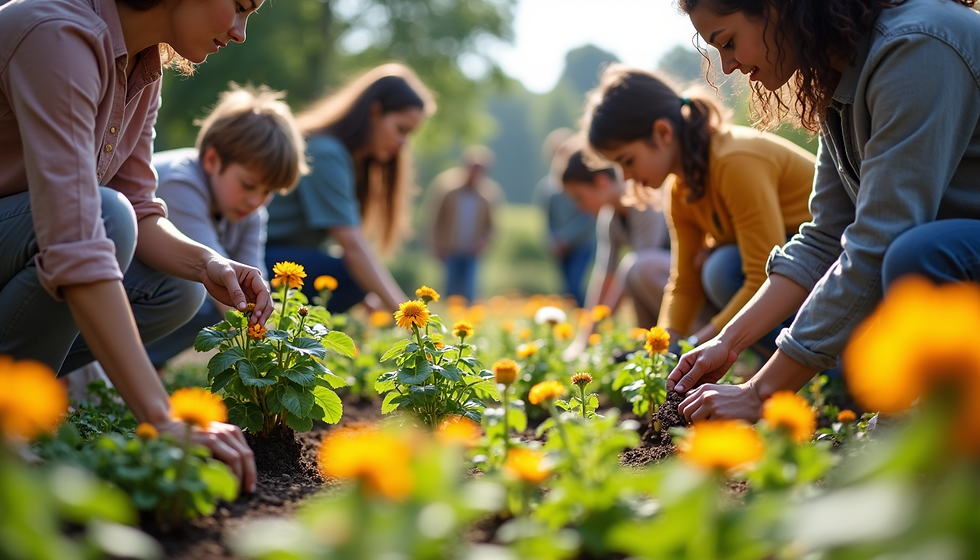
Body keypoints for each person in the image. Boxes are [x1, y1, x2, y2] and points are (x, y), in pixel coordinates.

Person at [668, 0, 980, 422]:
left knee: (919, 253)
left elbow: (878, 240)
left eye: (728, 43)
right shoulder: (840, 72)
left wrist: (759, 393)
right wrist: (728, 341)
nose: (727, 67)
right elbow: (823, 238)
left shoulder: (915, 47)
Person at [0, 0, 268, 490]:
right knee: (105, 217)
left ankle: (17, 405)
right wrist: (164, 417)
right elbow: (79, 234)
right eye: (239, 6)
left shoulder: (141, 66)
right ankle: (12, 425)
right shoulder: (57, 34)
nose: (240, 32)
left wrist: (206, 261)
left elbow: (140, 206)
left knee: (178, 286)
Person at [582, 64, 815, 355]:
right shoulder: (680, 191)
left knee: (722, 269)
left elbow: (761, 277)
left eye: (627, 161)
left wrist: (701, 343)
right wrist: (663, 349)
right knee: (711, 266)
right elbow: (684, 284)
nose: (626, 177)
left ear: (663, 133)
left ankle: (829, 369)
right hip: (796, 271)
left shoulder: (734, 161)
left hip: (833, 259)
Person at [144, 84, 308, 370]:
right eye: (248, 185)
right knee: (209, 292)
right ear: (211, 160)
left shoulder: (250, 211)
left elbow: (253, 285)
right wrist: (267, 360)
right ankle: (128, 364)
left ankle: (146, 361)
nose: (257, 200)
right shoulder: (179, 182)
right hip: (119, 290)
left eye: (268, 191)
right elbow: (219, 272)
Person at [265, 63, 435, 313]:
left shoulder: (349, 160)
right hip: (253, 256)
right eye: (400, 129)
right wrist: (405, 314)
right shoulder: (326, 153)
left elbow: (319, 246)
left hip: (274, 256)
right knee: (352, 275)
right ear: (375, 112)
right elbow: (353, 248)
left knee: (353, 277)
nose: (403, 144)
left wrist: (370, 298)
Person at [561, 149, 671, 360]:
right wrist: (585, 337)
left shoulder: (643, 202)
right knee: (634, 271)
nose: (579, 207)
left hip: (684, 283)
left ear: (601, 182)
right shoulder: (610, 219)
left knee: (637, 268)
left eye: (579, 197)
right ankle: (650, 348)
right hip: (658, 282)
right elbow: (605, 276)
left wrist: (598, 331)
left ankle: (681, 338)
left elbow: (632, 272)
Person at [428, 146, 503, 303]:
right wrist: (436, 245)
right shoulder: (448, 189)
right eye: (473, 167)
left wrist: (485, 242)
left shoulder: (489, 194)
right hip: (450, 249)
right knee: (449, 290)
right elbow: (436, 219)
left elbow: (493, 226)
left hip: (472, 252)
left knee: (470, 291)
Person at [532, 128, 597, 307]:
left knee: (576, 284)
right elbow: (547, 219)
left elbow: (589, 215)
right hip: (561, 247)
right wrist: (553, 240)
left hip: (583, 242)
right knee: (566, 288)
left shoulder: (583, 182)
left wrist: (566, 237)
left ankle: (585, 317)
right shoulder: (546, 187)